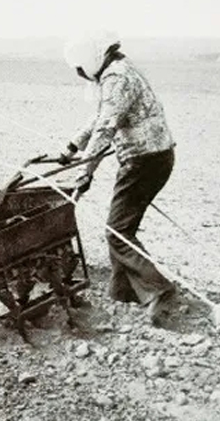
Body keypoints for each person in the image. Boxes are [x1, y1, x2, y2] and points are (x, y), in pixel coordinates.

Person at [61, 31, 177, 324]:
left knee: (116, 230)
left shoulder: (116, 78)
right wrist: (73, 146)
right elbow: (102, 116)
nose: (82, 75)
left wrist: (84, 172)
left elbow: (106, 128)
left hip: (144, 161)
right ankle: (123, 291)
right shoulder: (117, 70)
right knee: (121, 225)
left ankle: (159, 290)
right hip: (151, 157)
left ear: (89, 61)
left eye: (81, 70)